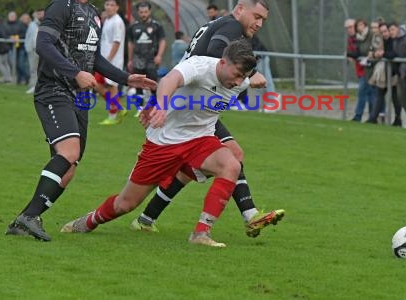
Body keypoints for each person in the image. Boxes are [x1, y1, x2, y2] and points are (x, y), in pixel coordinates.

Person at [5, 0, 156, 242]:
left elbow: (93, 57)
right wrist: (74, 72)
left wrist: (125, 77)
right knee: (69, 153)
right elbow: (43, 44)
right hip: (54, 90)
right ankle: (28, 217)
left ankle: (24, 219)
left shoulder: (91, 12)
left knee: (69, 168)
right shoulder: (62, 5)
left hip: (80, 98)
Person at [61, 39, 259, 247]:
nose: (239, 82)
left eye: (243, 77)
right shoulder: (199, 66)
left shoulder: (240, 84)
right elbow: (169, 81)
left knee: (231, 165)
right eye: (237, 74)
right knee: (126, 204)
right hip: (164, 143)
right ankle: (89, 221)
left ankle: (201, 233)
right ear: (222, 62)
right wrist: (161, 106)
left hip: (201, 140)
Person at [130, 0, 284, 238]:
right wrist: (248, 75)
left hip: (188, 103)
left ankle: (146, 219)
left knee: (192, 169)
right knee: (230, 156)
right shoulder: (233, 27)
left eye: (263, 19)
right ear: (240, 9)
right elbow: (216, 54)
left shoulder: (221, 23)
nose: (259, 23)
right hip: (192, 106)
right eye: (256, 16)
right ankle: (249, 216)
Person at [127, 1, 166, 115]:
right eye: (141, 12)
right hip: (137, 59)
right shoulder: (133, 27)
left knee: (153, 83)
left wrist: (159, 55)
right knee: (138, 83)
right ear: (138, 13)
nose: (143, 14)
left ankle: (155, 107)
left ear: (149, 12)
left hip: (151, 59)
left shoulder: (157, 26)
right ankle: (139, 109)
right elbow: (130, 43)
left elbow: (162, 41)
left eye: (145, 12)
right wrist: (130, 59)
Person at [95, 0, 128, 125]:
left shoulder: (117, 22)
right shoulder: (108, 20)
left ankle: (113, 115)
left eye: (112, 5)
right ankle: (118, 108)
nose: (109, 7)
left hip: (112, 60)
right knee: (98, 85)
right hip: (104, 59)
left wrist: (109, 59)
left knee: (111, 86)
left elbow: (117, 42)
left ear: (117, 7)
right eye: (107, 4)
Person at [24, 8, 45, 94]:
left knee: (42, 69)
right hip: (33, 50)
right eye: (38, 14)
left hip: (44, 50)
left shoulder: (47, 24)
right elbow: (28, 36)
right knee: (33, 69)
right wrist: (28, 47)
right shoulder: (32, 25)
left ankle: (41, 87)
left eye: (41, 14)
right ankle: (33, 86)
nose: (40, 16)